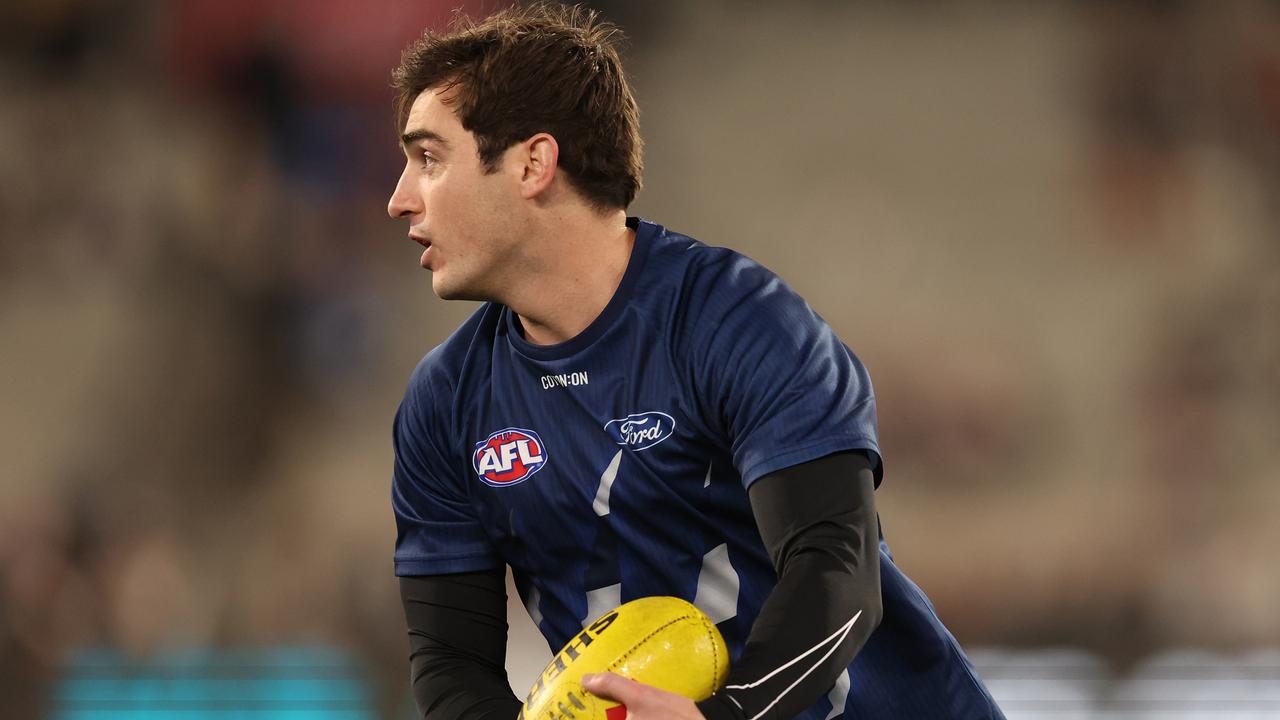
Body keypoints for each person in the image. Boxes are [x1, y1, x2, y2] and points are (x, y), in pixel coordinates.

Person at [386, 4, 1004, 719]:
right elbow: (450, 664)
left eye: (429, 158)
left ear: (532, 163)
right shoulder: (444, 400)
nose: (399, 200)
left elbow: (835, 572)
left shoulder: (737, 323)